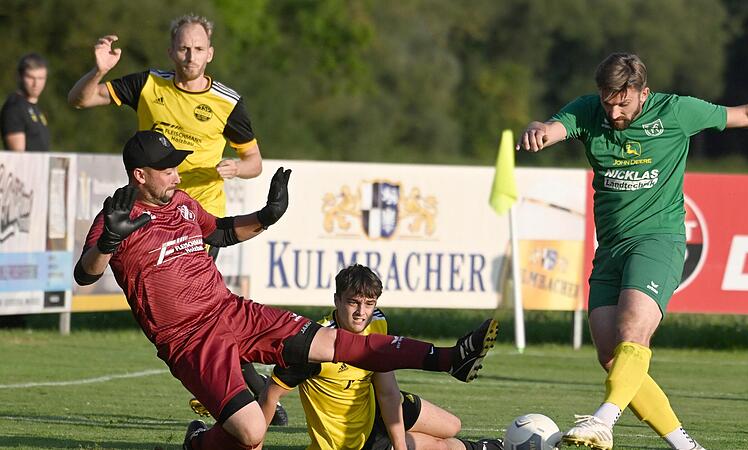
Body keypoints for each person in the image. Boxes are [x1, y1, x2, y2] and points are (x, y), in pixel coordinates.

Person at [73, 130, 499, 450]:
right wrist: (109, 242)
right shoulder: (117, 215)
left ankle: (450, 358)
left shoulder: (183, 201)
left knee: (337, 342)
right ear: (139, 175)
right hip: (189, 339)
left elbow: (219, 232)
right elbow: (85, 274)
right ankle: (199, 444)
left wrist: (266, 216)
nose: (177, 173)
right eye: (167, 169)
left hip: (229, 310)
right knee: (252, 433)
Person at [517, 52, 748, 450]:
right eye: (607, 102)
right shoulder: (587, 111)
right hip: (610, 248)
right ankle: (686, 446)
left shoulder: (677, 111)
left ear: (643, 93)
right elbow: (553, 127)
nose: (614, 113)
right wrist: (538, 129)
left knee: (632, 332)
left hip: (657, 241)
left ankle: (603, 420)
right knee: (612, 357)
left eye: (623, 103)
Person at [67, 13, 272, 420]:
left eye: (198, 49)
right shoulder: (148, 84)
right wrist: (98, 70)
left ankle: (241, 395)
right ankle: (249, 392)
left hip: (197, 219)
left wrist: (237, 167)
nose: (190, 56)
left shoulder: (228, 102)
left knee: (199, 316)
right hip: (149, 214)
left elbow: (254, 161)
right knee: (191, 320)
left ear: (210, 54)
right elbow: (80, 100)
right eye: (183, 47)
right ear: (171, 50)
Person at [262, 264, 504, 450]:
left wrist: (400, 446)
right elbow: (270, 394)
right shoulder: (313, 345)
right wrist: (253, 443)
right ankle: (489, 446)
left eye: (369, 303)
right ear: (336, 301)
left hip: (375, 404)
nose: (361, 313)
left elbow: (387, 390)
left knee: (453, 426)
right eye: (353, 303)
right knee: (441, 446)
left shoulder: (377, 321)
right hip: (357, 441)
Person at [1, 53, 49, 151]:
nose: (36, 83)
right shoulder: (14, 108)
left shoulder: (35, 108)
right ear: (19, 77)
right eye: (30, 77)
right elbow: (18, 157)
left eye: (40, 78)